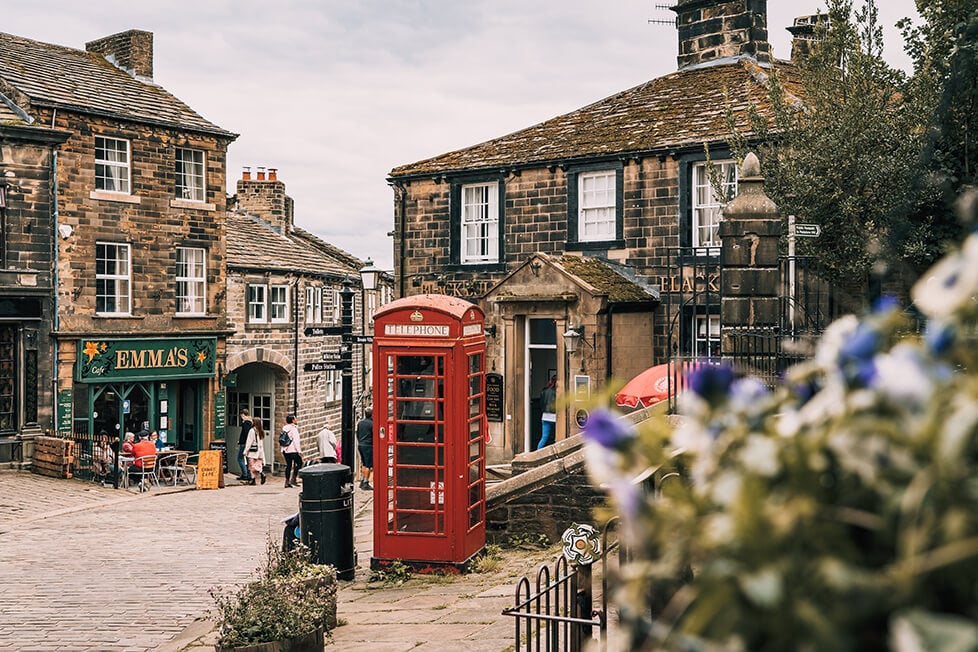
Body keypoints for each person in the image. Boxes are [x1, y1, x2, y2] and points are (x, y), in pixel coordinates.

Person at [280, 414, 302, 488]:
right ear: (292, 420)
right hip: (292, 449)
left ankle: (287, 482)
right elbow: (296, 441)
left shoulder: (284, 428)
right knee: (299, 463)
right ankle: (293, 479)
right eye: (295, 418)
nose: (296, 419)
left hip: (285, 450)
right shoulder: (294, 429)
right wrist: (299, 451)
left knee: (288, 465)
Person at [244, 417, 267, 485]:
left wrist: (245, 451)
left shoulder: (252, 431)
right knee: (258, 465)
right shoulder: (261, 431)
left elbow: (249, 442)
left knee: (251, 466)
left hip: (253, 451)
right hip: (260, 452)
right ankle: (256, 478)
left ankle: (260, 474)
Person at [537, 375, 557, 450]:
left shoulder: (544, 391)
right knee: (557, 437)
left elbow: (541, 403)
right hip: (554, 417)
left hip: (545, 416)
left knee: (544, 437)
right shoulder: (556, 392)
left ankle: (538, 454)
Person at [356, 407, 373, 490]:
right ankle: (366, 482)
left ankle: (362, 480)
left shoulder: (360, 423)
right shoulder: (372, 424)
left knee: (363, 463)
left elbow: (358, 434)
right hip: (368, 446)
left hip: (361, 445)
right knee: (368, 465)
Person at [237, 409, 253, 482]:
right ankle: (249, 475)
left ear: (243, 415)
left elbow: (246, 434)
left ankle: (245, 474)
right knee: (247, 459)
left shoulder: (246, 423)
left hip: (244, 444)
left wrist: (242, 441)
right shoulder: (250, 422)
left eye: (241, 415)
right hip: (246, 443)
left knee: (240, 458)